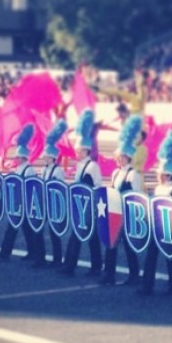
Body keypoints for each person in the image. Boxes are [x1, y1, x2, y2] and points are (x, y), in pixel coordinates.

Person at [60, 111, 103, 277]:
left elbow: (98, 186)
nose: (77, 153)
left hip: (89, 207)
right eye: (77, 150)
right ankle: (73, 265)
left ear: (86, 151)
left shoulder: (93, 167)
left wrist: (93, 206)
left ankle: (88, 266)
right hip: (80, 206)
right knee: (82, 237)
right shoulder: (79, 166)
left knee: (89, 238)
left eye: (80, 151)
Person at [140, 130, 172, 296]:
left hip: (169, 229)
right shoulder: (158, 188)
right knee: (151, 256)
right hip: (157, 227)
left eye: (160, 173)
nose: (157, 175)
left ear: (167, 174)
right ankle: (147, 285)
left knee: (171, 258)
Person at [103, 116, 145, 286]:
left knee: (129, 247)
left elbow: (136, 196)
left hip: (127, 215)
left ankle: (134, 274)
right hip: (115, 213)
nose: (119, 159)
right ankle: (109, 274)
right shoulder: (115, 173)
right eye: (118, 156)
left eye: (122, 156)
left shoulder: (133, 174)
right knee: (110, 244)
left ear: (128, 157)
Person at [0, 124, 42, 264]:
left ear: (23, 157)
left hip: (25, 204)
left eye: (19, 157)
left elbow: (30, 188)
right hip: (18, 203)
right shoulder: (20, 168)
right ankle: (10, 252)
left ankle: (11, 253)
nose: (17, 159)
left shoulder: (29, 170)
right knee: (20, 229)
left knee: (22, 229)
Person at [32, 119, 68, 268]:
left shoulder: (58, 170)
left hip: (53, 205)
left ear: (53, 157)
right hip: (43, 203)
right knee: (39, 230)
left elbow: (60, 188)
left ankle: (57, 259)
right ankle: (40, 257)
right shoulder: (44, 170)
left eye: (46, 156)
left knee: (54, 233)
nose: (44, 158)